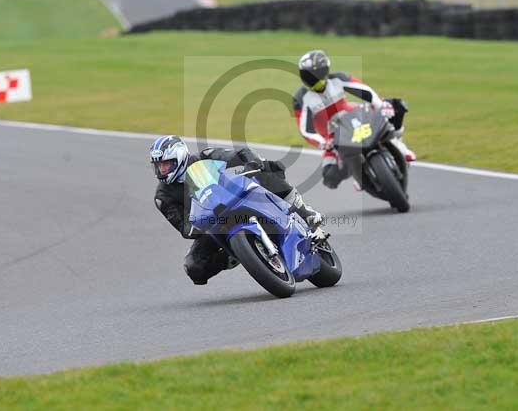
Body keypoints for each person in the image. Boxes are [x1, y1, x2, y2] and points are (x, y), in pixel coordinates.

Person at [150, 135, 325, 285]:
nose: (162, 170)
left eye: (167, 164)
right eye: (159, 166)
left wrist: (252, 162)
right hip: (212, 223)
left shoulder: (204, 157)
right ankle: (237, 255)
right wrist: (198, 224)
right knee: (194, 267)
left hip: (235, 196)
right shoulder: (163, 196)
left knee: (267, 169)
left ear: (180, 157)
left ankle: (305, 212)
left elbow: (239, 153)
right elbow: (184, 228)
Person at [292, 49, 416, 189]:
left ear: (325, 72)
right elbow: (305, 130)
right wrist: (323, 143)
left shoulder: (339, 79)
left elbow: (366, 92)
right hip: (332, 139)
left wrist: (382, 105)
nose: (315, 84)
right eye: (309, 78)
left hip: (355, 118)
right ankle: (358, 174)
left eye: (317, 79)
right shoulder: (301, 99)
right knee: (330, 178)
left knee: (396, 106)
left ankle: (400, 146)